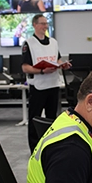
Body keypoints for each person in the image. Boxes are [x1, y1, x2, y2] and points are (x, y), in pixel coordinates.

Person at [22, 14, 70, 153]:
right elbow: (25, 67)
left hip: (53, 84)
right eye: (42, 24)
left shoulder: (53, 42)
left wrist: (63, 65)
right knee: (34, 118)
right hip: (38, 85)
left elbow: (58, 60)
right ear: (35, 25)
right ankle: (35, 148)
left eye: (46, 23)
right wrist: (42, 70)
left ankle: (51, 145)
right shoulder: (29, 43)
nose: (45, 26)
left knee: (52, 118)